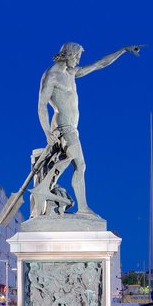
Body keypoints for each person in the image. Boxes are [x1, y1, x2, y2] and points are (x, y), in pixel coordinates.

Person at [37, 42, 141, 216]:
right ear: (68, 54)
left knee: (66, 163)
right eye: (76, 56)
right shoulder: (52, 76)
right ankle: (83, 208)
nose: (78, 60)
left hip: (72, 128)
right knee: (81, 164)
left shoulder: (70, 72)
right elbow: (41, 105)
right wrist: (47, 132)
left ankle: (47, 192)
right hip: (63, 127)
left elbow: (99, 64)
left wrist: (123, 50)